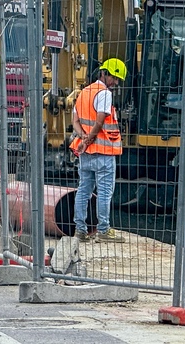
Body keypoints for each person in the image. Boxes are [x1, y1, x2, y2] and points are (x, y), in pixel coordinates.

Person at [70, 58, 127, 243]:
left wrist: (84, 138)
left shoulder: (84, 92)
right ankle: (103, 230)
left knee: (83, 189)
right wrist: (91, 138)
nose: (116, 83)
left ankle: (80, 230)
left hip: (86, 152)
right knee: (104, 191)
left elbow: (75, 121)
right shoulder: (104, 93)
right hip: (104, 152)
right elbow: (100, 120)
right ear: (104, 73)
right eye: (115, 78)